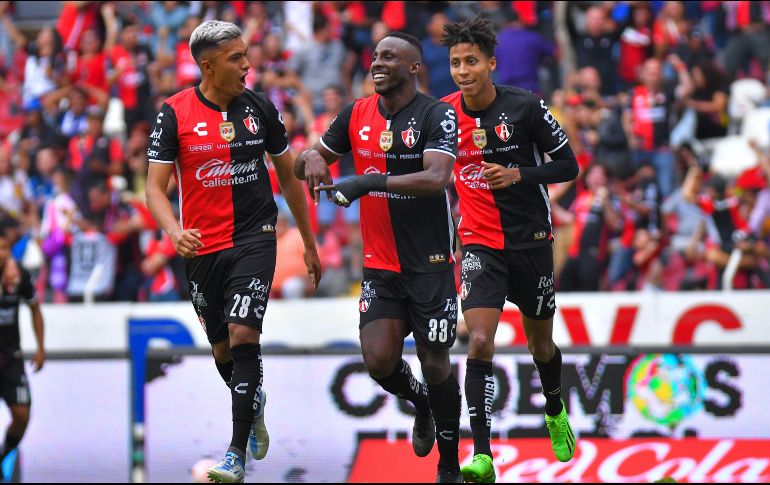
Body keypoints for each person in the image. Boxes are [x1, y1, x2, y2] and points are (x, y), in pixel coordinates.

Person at [145, 20, 321, 483]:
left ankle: (234, 455)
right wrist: (173, 231)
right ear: (207, 65)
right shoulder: (174, 112)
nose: (247, 65)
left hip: (254, 236)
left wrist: (307, 240)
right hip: (201, 247)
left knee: (245, 337)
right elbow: (155, 190)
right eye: (236, 58)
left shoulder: (260, 108)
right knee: (224, 352)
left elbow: (288, 178)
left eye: (246, 55)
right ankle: (254, 402)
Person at [295, 32, 463, 483]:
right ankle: (421, 404)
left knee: (435, 362)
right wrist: (311, 157)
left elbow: (437, 177)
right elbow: (309, 159)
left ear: (414, 67)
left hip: (429, 264)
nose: (377, 63)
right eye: (374, 56)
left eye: (390, 57)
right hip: (381, 267)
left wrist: (368, 182)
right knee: (379, 361)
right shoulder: (356, 113)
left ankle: (449, 465)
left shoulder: (436, 114)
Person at [440, 17, 579, 483]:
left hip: (530, 242)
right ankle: (482, 454)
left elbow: (568, 166)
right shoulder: (442, 115)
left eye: (472, 61)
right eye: (456, 62)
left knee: (540, 343)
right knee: (479, 340)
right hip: (479, 241)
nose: (463, 70)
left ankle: (555, 410)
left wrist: (521, 174)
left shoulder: (525, 107)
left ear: (491, 64)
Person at [0, 226, 45, 478]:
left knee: (22, 415)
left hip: (11, 358)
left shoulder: (18, 275)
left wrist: (40, 349)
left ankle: (3, 453)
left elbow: (35, 309)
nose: (1, 254)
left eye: (4, 248)